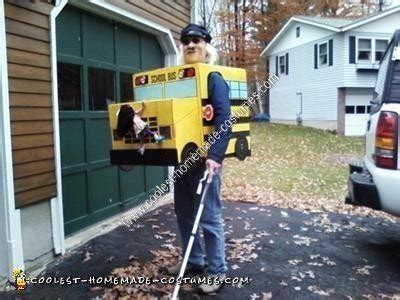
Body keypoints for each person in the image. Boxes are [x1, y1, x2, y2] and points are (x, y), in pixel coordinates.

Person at [167, 24, 232, 294]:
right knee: (183, 213)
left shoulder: (213, 78)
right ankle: (194, 262)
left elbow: (224, 120)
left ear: (206, 47)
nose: (190, 45)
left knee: (209, 217)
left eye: (196, 40)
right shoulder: (179, 81)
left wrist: (215, 156)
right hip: (183, 161)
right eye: (185, 42)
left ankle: (217, 271)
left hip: (207, 161)